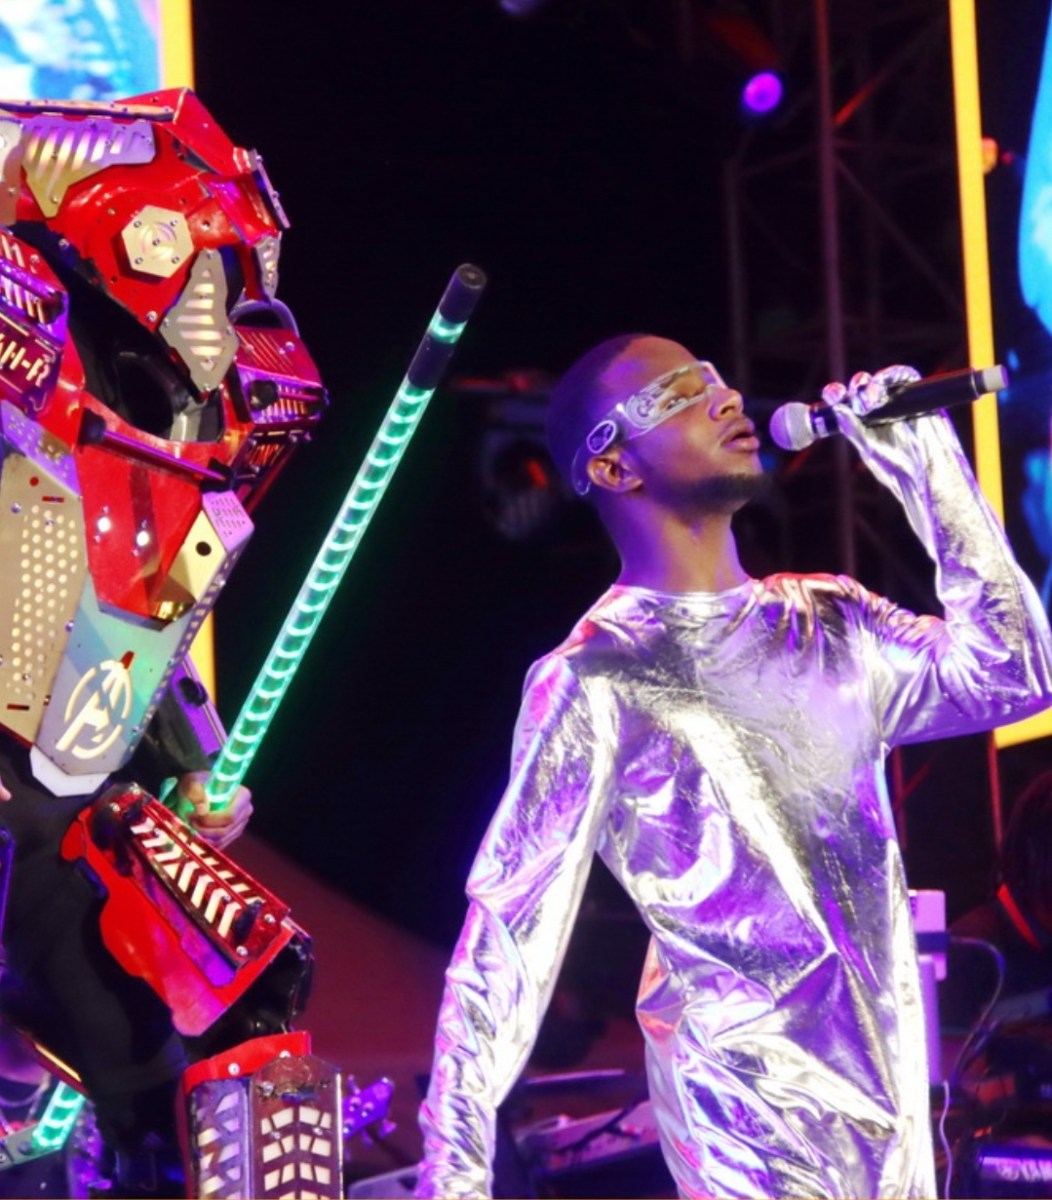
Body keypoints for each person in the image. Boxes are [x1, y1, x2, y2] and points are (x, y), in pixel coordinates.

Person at [415, 333, 1052, 1200]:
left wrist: (926, 471)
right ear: (613, 467)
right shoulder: (596, 675)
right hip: (744, 1120)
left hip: (891, 1121)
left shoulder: (832, 617)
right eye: (680, 391)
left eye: (718, 379)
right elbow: (507, 935)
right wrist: (452, 1173)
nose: (724, 398)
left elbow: (1016, 672)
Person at [0, 89, 338, 1198]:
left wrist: (196, 762)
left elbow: (149, 613)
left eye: (225, 271)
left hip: (68, 808)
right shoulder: (22, 348)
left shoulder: (210, 422)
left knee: (244, 983)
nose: (206, 303)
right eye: (178, 258)